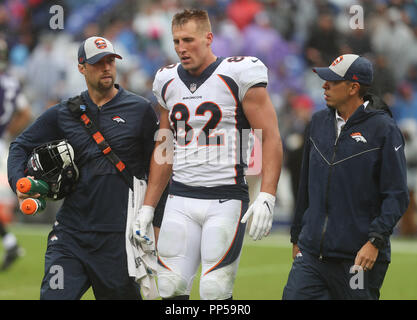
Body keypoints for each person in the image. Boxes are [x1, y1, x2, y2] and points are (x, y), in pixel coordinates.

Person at [132, 9, 283, 300]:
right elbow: (164, 148)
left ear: (209, 38)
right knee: (170, 288)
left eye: (188, 40)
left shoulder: (239, 73)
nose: (181, 48)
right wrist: (148, 206)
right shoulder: (166, 80)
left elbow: (271, 136)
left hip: (225, 198)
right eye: (176, 41)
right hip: (180, 196)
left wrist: (267, 194)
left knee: (215, 291)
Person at [7, 36, 164, 299]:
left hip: (119, 241)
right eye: (98, 62)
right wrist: (19, 184)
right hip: (70, 236)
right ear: (81, 67)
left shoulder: (141, 110)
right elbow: (20, 146)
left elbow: (161, 171)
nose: (106, 68)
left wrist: (156, 224)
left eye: (110, 61)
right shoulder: (64, 113)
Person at [282, 54, 409, 300]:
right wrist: (297, 236)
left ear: (353, 88)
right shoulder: (317, 122)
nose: (324, 86)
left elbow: (396, 195)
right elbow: (305, 185)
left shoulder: (384, 129)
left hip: (358, 260)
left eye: (332, 81)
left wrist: (375, 242)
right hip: (311, 257)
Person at [0, 38, 31, 271]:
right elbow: (26, 112)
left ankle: (11, 244)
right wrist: (8, 132)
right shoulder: (11, 81)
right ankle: (10, 244)